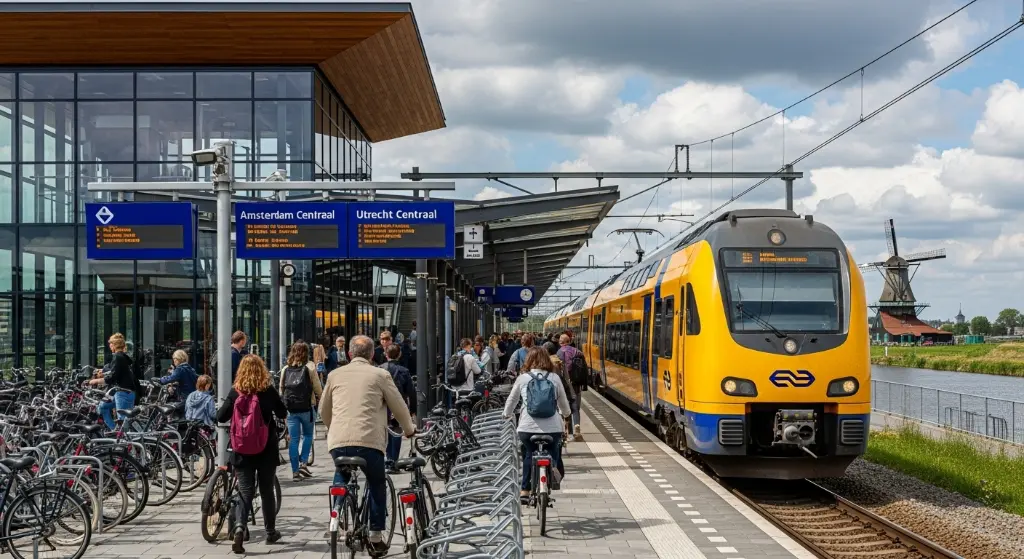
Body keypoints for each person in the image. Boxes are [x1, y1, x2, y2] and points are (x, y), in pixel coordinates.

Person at [320, 335, 416, 556]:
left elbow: (324, 410)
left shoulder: (335, 375)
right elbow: (398, 405)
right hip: (369, 442)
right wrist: (409, 429)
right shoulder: (380, 375)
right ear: (373, 354)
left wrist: (333, 429)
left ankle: (337, 514)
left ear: (350, 354)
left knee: (341, 475)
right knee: (376, 483)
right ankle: (374, 533)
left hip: (339, 443)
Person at [215, 355, 287, 553]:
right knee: (266, 491)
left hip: (241, 450)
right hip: (266, 449)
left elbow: (220, 416)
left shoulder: (235, 392)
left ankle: (239, 527)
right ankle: (270, 532)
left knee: (245, 491)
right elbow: (282, 413)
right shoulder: (267, 391)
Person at [502, 347, 571, 500]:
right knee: (554, 452)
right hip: (553, 429)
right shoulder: (554, 377)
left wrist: (506, 414)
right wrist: (566, 415)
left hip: (527, 428)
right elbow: (563, 402)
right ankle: (553, 472)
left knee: (528, 454)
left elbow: (512, 399)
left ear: (529, 360)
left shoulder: (523, 378)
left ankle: (525, 490)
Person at [279, 340, 324, 481]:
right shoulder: (310, 368)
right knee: (308, 436)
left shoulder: (286, 369)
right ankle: (303, 462)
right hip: (307, 408)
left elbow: (281, 389)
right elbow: (318, 388)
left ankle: (295, 472)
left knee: (293, 440)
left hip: (291, 410)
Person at [90, 333, 137, 430]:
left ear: (114, 345)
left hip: (123, 393)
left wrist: (95, 381)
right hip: (123, 393)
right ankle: (114, 431)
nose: (109, 346)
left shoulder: (118, 357)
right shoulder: (122, 357)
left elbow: (112, 377)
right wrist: (103, 371)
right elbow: (113, 369)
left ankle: (125, 441)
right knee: (102, 407)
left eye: (111, 344)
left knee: (123, 422)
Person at [380, 344, 415, 469]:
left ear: (386, 354)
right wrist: (412, 410)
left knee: (383, 431)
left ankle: (385, 458)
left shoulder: (380, 369)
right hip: (398, 405)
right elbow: (411, 392)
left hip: (382, 405)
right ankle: (393, 460)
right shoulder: (403, 371)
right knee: (396, 430)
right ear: (399, 354)